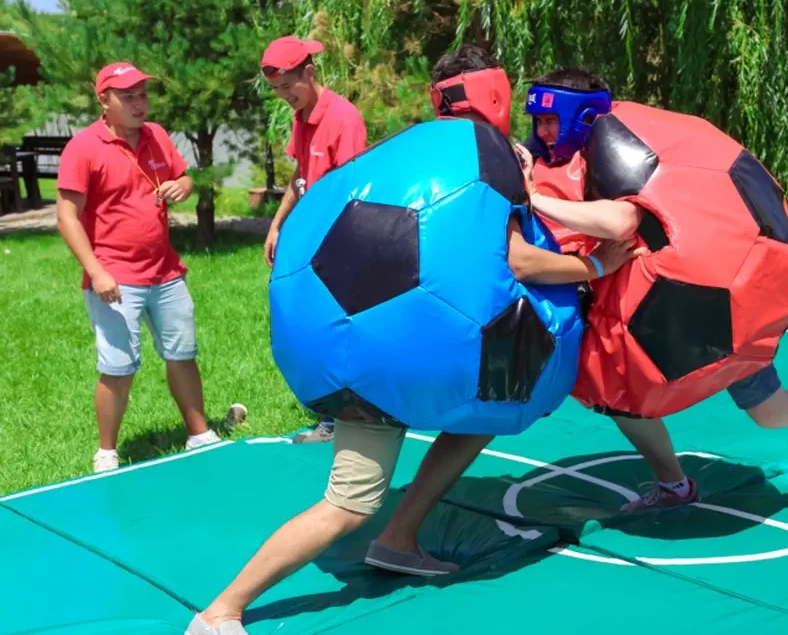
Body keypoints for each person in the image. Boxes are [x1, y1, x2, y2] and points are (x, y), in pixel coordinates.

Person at [184, 46, 639, 635]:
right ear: (496, 94)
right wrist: (595, 267)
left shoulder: (416, 146)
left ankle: (399, 537)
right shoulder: (488, 153)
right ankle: (219, 611)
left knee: (481, 417)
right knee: (348, 505)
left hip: (350, 352)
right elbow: (518, 260)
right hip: (406, 360)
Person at [522, 67, 788, 510]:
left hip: (700, 291)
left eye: (552, 121)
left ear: (583, 117)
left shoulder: (617, 147)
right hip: (634, 304)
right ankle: (675, 486)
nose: (543, 132)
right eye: (538, 122)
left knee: (768, 409)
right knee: (623, 401)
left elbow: (623, 220)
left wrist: (536, 199)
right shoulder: (547, 163)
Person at [56, 63, 221, 473]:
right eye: (127, 96)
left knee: (182, 354)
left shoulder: (157, 135)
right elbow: (66, 217)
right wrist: (96, 271)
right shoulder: (83, 147)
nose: (139, 103)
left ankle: (199, 435)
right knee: (118, 367)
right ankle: (107, 453)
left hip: (166, 272)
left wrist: (183, 186)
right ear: (104, 100)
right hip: (114, 276)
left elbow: (183, 178)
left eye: (142, 94)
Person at [260, 36, 369, 444]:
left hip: (337, 244)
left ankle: (343, 419)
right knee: (309, 328)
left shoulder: (343, 118)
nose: (284, 96)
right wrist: (277, 225)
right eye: (277, 90)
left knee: (336, 331)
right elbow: (301, 175)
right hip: (310, 242)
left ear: (309, 72)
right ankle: (333, 414)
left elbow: (353, 190)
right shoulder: (301, 115)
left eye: (289, 86)